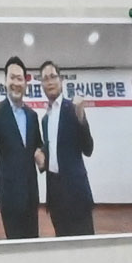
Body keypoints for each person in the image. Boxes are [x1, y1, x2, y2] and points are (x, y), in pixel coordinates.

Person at [0, 64, 48, 238]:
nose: (16, 82)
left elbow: (38, 146)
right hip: (10, 198)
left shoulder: (32, 116)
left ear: (25, 83)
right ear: (5, 81)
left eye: (20, 78)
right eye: (12, 77)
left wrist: (42, 155)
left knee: (34, 246)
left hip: (31, 198)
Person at [43, 68, 98, 235]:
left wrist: (81, 118)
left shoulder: (73, 108)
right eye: (45, 78)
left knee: (86, 247)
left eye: (53, 76)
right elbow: (53, 152)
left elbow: (88, 148)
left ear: (61, 80)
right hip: (55, 195)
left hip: (76, 194)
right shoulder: (45, 119)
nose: (49, 81)